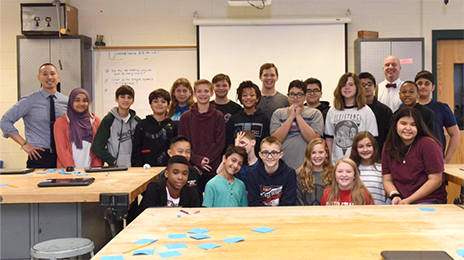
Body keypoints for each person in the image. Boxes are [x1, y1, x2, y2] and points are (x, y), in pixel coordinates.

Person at [0, 63, 68, 168]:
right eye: (45, 74)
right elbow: (5, 121)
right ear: (39, 78)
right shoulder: (29, 100)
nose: (49, 77)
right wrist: (24, 144)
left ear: (58, 77)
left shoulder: (67, 101)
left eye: (52, 74)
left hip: (63, 155)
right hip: (39, 156)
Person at [382, 106, 447, 205]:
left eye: (413, 124)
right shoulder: (389, 146)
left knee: (414, 216)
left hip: (427, 199)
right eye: (403, 123)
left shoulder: (429, 144)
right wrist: (395, 195)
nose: (408, 128)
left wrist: (408, 201)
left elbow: (436, 180)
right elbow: (387, 180)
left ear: (419, 127)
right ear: (395, 125)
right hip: (400, 198)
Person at [178, 79, 225, 192]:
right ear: (194, 94)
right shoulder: (186, 117)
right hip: (192, 168)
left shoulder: (218, 116)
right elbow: (182, 143)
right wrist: (197, 161)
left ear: (212, 93)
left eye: (206, 91)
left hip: (212, 169)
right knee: (193, 202)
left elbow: (220, 143)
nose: (203, 94)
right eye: (199, 91)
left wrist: (204, 162)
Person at [325, 72, 378, 163]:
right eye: (343, 85)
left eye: (351, 84)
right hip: (336, 163)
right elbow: (329, 139)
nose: (347, 88)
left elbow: (372, 141)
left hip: (360, 163)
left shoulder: (366, 111)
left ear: (357, 87)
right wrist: (329, 161)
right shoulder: (332, 111)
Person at [271, 80, 324, 170]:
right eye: (292, 94)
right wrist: (291, 116)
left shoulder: (315, 113)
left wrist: (298, 116)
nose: (295, 97)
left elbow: (314, 140)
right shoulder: (278, 113)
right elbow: (276, 140)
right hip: (283, 165)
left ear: (305, 96)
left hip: (308, 166)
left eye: (299, 94)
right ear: (287, 96)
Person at [415, 70, 460, 163]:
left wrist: (446, 159)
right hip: (412, 158)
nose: (423, 86)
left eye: (427, 84)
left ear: (433, 87)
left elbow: (455, 134)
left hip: (434, 158)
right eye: (419, 83)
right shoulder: (406, 107)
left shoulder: (442, 108)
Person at [92, 85, 141, 167]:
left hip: (134, 167)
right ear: (116, 99)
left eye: (129, 97)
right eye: (122, 97)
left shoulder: (137, 121)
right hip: (115, 168)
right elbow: (97, 146)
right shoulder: (108, 120)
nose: (126, 100)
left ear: (133, 101)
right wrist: (111, 160)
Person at [54, 88, 102, 168]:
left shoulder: (95, 121)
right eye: (77, 100)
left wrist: (96, 167)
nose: (81, 103)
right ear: (71, 101)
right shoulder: (61, 122)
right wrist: (70, 168)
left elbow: (99, 147)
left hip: (91, 169)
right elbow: (62, 149)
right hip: (68, 170)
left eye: (85, 100)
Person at [137, 155, 202, 214]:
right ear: (167, 174)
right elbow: (143, 214)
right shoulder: (155, 188)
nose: (180, 177)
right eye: (176, 173)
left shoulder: (191, 193)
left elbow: (195, 216)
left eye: (184, 174)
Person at [131, 89, 178, 167]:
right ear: (150, 104)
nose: (159, 104)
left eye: (163, 102)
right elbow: (136, 150)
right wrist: (137, 168)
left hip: (168, 168)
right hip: (146, 168)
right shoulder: (142, 125)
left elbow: (176, 149)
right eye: (156, 101)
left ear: (168, 105)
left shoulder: (173, 126)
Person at [247, 136, 296, 206]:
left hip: (283, 215)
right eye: (265, 152)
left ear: (280, 155)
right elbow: (254, 203)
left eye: (274, 153)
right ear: (260, 155)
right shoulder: (253, 174)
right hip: (260, 215)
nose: (269, 157)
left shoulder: (289, 174)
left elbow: (288, 203)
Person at [226, 80, 270, 155]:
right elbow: (229, 142)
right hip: (238, 160)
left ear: (257, 98)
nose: (248, 98)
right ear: (240, 99)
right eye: (245, 95)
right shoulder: (234, 119)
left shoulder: (264, 119)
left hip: (258, 161)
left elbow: (266, 142)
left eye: (252, 95)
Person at [358, 72, 392, 153]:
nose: (366, 87)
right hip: (359, 152)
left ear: (375, 87)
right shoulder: (355, 110)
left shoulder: (385, 111)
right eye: (362, 85)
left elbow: (389, 137)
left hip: (379, 153)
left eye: (369, 84)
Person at [349, 131, 386, 205]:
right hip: (356, 211)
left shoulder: (382, 168)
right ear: (355, 149)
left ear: (374, 146)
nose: (365, 150)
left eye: (368, 145)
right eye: (360, 147)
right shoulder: (351, 169)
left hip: (378, 211)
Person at [296, 138, 334, 206]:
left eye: (321, 152)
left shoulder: (333, 174)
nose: (317, 156)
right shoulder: (300, 175)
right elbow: (298, 202)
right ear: (308, 154)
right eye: (313, 152)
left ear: (326, 154)